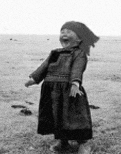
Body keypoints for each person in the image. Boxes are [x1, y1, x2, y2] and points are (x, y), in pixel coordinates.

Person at [25, 21, 99, 154]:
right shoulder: (55, 53)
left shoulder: (79, 53)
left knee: (75, 117)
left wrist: (75, 83)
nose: (64, 34)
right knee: (56, 116)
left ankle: (84, 143)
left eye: (69, 32)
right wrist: (34, 79)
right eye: (62, 32)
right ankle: (62, 141)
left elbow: (78, 68)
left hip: (70, 90)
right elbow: (44, 66)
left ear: (79, 38)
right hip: (51, 90)